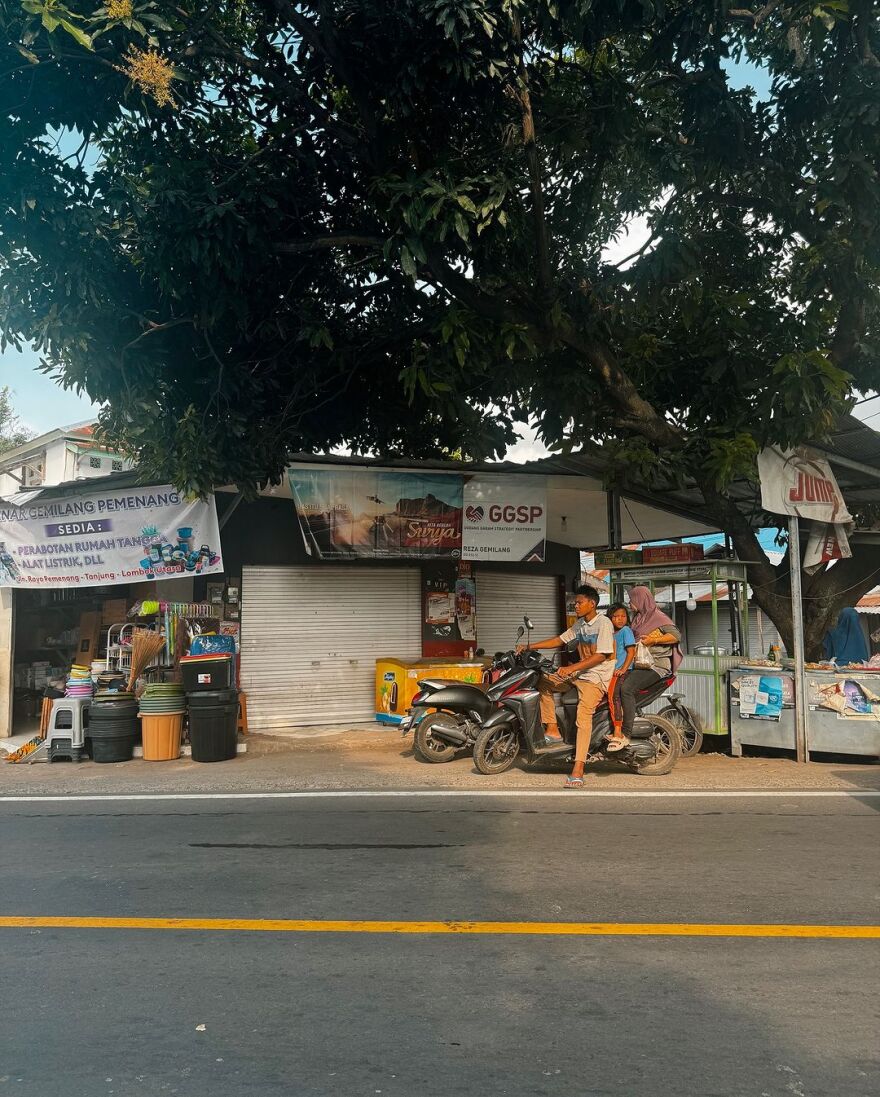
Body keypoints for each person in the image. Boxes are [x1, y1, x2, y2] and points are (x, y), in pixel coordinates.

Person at [518, 584, 615, 789]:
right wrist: (529, 646)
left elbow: (602, 655)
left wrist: (572, 668)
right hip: (579, 674)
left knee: (583, 716)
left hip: (596, 678)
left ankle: (578, 769)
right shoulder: (580, 624)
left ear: (592, 603)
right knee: (542, 682)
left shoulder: (603, 623)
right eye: (575, 603)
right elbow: (559, 640)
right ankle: (552, 729)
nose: (576, 606)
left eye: (579, 603)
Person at [616, 586, 682, 749]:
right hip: (639, 664)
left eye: (632, 600)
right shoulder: (639, 618)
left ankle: (626, 732)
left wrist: (653, 641)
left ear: (641, 600)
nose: (630, 603)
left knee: (627, 689)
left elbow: (675, 636)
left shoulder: (658, 617)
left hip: (656, 665)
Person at [606, 603, 636, 751]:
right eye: (616, 616)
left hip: (622, 671)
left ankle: (618, 731)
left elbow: (631, 652)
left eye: (623, 616)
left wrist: (623, 669)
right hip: (610, 670)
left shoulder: (625, 630)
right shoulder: (610, 633)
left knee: (613, 696)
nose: (620, 619)